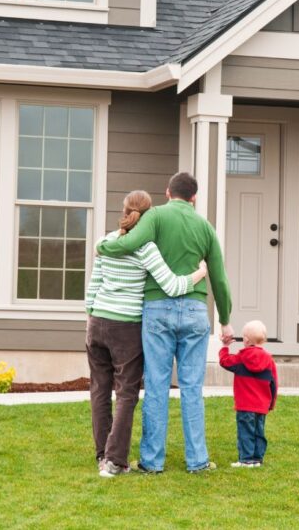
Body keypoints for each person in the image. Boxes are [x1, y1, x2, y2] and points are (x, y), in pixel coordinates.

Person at [98, 172, 233, 474]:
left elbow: (129, 241)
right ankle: (197, 461)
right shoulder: (206, 227)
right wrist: (225, 320)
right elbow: (220, 280)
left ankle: (152, 461)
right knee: (191, 387)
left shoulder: (156, 216)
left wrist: (102, 248)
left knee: (157, 385)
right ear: (194, 197)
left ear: (168, 192)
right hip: (196, 312)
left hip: (157, 309)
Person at [85, 189, 208, 478]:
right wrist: (200, 273)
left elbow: (93, 287)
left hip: (96, 323)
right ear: (149, 215)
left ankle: (103, 453)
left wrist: (91, 318)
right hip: (125, 327)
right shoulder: (146, 248)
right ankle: (114, 461)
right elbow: (173, 286)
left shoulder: (106, 242)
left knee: (99, 391)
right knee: (126, 393)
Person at [218, 320, 278, 468]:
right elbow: (274, 384)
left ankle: (246, 459)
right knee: (259, 432)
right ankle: (257, 459)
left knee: (245, 431)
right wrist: (271, 404)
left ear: (246, 340)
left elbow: (225, 361)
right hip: (261, 406)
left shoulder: (241, 358)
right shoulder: (269, 360)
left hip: (245, 405)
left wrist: (225, 347)